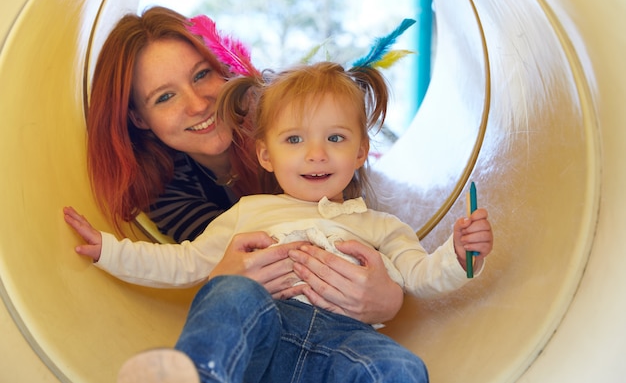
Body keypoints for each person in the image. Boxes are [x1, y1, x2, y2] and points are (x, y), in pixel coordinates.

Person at [65, 60, 494, 382]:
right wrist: (109, 250)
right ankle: (200, 374)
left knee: (401, 366)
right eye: (294, 139)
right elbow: (182, 262)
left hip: (343, 344)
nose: (316, 153)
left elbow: (420, 275)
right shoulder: (249, 212)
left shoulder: (382, 226)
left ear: (362, 151)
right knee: (231, 291)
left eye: (336, 138)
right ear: (265, 155)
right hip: (261, 334)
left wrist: (458, 253)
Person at [83, 5, 406, 323]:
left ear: (224, 69)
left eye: (201, 75)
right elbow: (208, 260)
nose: (197, 104)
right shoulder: (165, 188)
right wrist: (220, 284)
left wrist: (390, 299)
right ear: (139, 119)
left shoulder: (294, 129)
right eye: (165, 97)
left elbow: (370, 237)